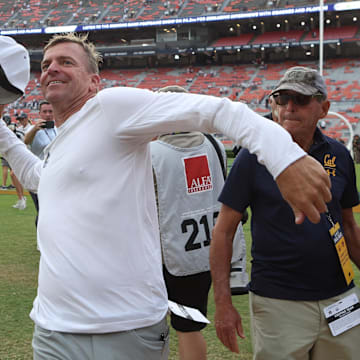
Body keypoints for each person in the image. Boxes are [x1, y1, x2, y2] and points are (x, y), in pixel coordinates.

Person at [0, 34, 331, 360]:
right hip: (51, 328)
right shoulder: (62, 143)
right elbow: (37, 177)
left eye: (66, 62)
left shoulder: (110, 108)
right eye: (45, 64)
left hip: (121, 331)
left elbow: (218, 111)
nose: (51, 69)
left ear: (93, 81)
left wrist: (285, 158)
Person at [210, 66, 360, 360]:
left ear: (324, 108)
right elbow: (223, 231)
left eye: (301, 99)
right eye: (281, 99)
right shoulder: (252, 157)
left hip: (339, 297)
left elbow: (350, 227)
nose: (289, 107)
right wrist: (223, 303)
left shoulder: (339, 156)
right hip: (278, 301)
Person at [150, 85, 248, 360]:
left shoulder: (151, 153)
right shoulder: (214, 144)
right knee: (189, 328)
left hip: (169, 256)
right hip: (210, 251)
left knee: (163, 328)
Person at [24, 100, 56, 225]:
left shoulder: (57, 127)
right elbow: (25, 141)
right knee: (42, 211)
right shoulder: (34, 129)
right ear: (40, 113)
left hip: (54, 174)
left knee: (51, 210)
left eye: (50, 111)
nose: (48, 114)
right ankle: (40, 240)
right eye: (45, 112)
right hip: (38, 175)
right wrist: (35, 129)